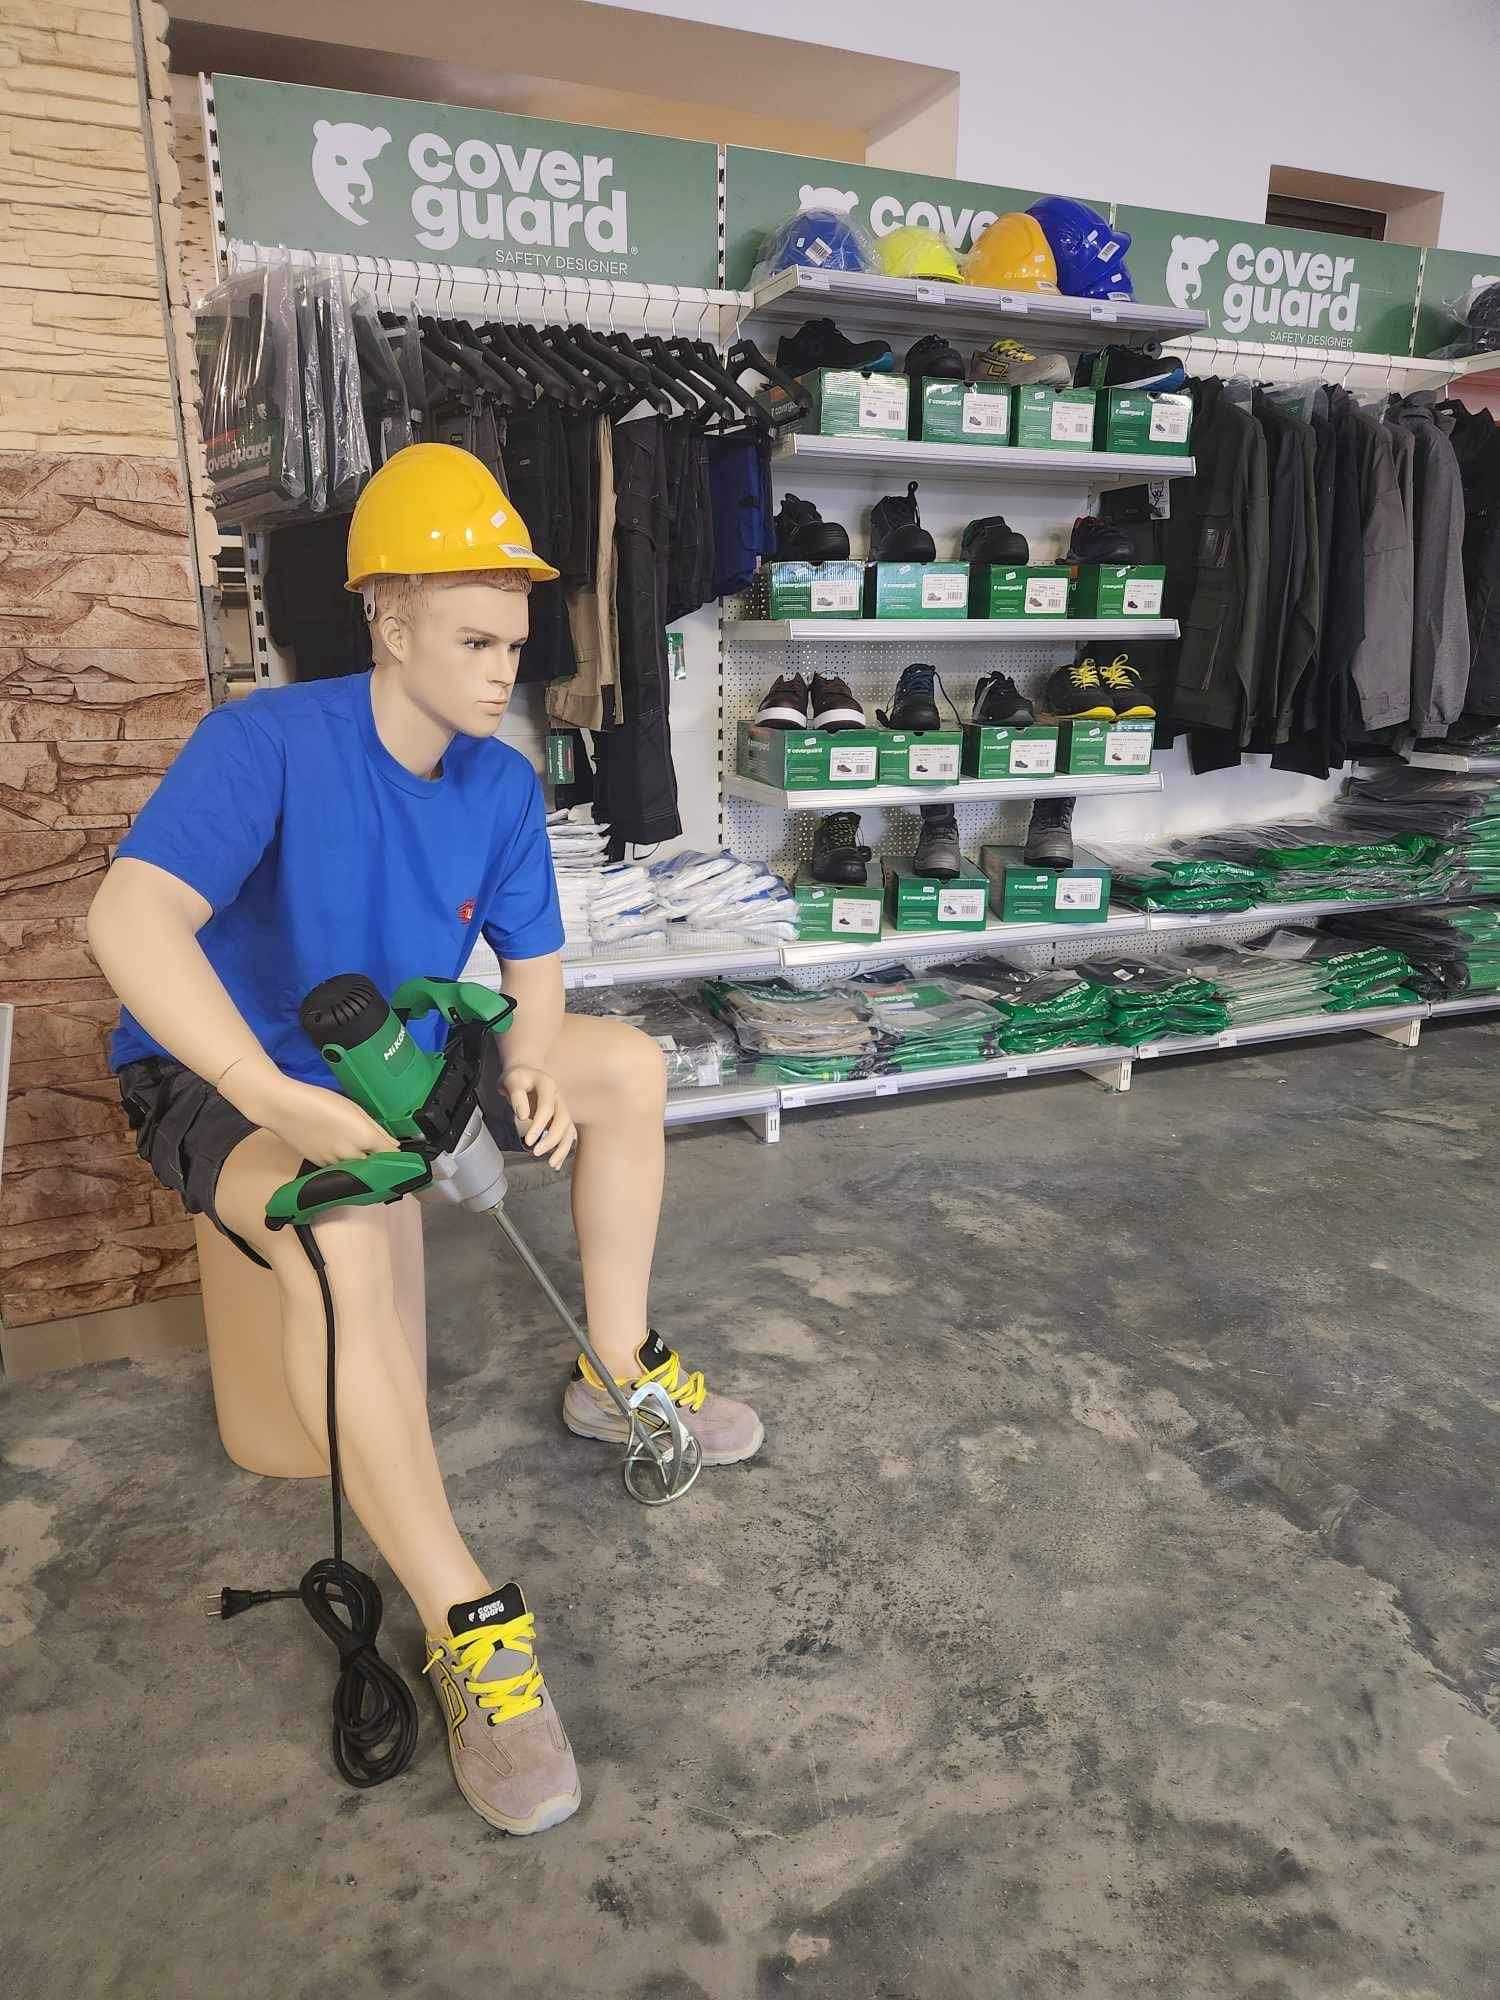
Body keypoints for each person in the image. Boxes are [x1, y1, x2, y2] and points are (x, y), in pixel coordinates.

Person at [88, 442, 763, 1836]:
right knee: (346, 1225)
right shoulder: (267, 743)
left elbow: (535, 969)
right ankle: (466, 1622)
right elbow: (128, 919)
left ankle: (614, 1369)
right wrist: (268, 1093)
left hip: (393, 1041)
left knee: (627, 1069)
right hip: (223, 1069)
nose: (504, 669)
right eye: (474, 639)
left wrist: (532, 1061)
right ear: (387, 623)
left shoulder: (499, 784)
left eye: (514, 643)